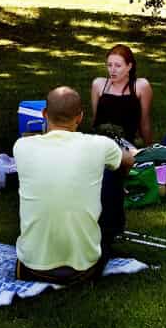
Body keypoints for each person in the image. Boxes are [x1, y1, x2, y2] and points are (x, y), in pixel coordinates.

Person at [13, 86, 135, 285]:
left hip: (31, 268)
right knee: (111, 174)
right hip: (84, 269)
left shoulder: (22, 146)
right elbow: (128, 160)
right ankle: (112, 231)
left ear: (44, 114)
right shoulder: (100, 145)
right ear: (80, 117)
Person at [90, 43, 153, 146]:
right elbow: (95, 119)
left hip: (126, 144)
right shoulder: (99, 84)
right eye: (109, 65)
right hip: (101, 142)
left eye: (118, 66)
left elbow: (145, 122)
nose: (112, 70)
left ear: (129, 66)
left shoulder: (141, 86)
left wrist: (150, 149)